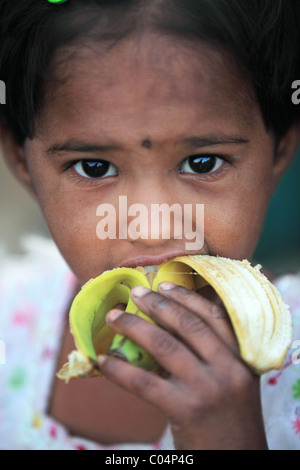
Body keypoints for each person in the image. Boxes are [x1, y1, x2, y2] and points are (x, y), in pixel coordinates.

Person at [0, 0, 300, 450]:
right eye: (94, 168)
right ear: (21, 163)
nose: (153, 227)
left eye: (202, 163)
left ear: (279, 153)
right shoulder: (8, 332)